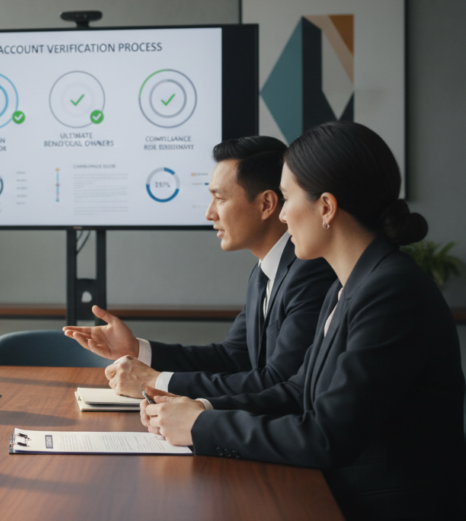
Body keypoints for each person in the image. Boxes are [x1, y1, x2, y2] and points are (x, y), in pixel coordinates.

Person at [142, 122, 466, 520]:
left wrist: (201, 426)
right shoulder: (348, 285)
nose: (282, 212)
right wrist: (198, 408)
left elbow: (327, 435)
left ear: (326, 207)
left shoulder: (391, 292)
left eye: (286, 196)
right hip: (332, 494)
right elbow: (297, 391)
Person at [64, 136, 335, 398]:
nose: (209, 213)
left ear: (266, 204)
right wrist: (136, 349)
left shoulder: (310, 272)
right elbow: (233, 357)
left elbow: (279, 381)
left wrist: (155, 381)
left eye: (220, 198)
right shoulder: (265, 271)